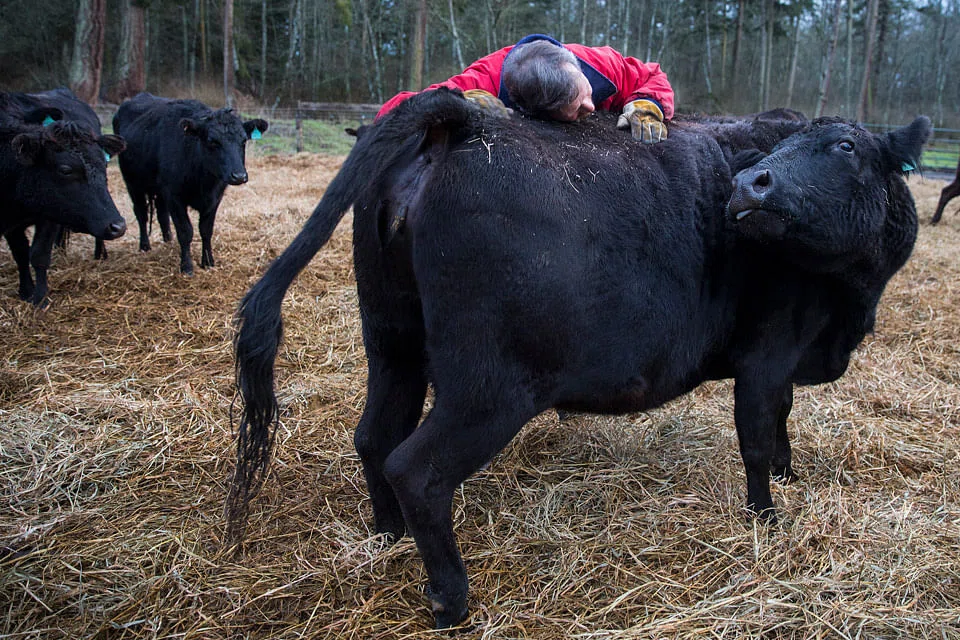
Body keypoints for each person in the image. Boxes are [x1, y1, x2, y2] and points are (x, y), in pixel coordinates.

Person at [377, 34, 675, 144]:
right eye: (575, 110)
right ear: (536, 108)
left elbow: (652, 76)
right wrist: (457, 101)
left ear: (573, 65)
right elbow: (392, 111)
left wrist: (647, 105)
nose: (592, 107)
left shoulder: (596, 63)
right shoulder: (486, 79)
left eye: (585, 93)